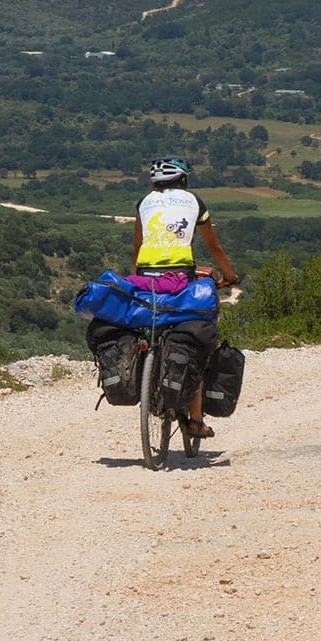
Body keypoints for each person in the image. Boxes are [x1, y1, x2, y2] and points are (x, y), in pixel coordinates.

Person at [133, 156, 239, 439]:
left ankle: (148, 373)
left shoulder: (144, 204)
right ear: (183, 180)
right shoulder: (194, 202)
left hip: (145, 277)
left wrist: (139, 280)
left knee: (151, 325)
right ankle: (195, 420)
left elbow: (138, 247)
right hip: (180, 277)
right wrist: (230, 276)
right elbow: (214, 247)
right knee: (195, 345)